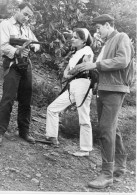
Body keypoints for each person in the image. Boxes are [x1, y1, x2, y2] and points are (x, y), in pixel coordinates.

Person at [76, 14, 134, 188]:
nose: (97, 32)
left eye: (99, 28)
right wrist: (89, 66)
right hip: (105, 88)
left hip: (114, 89)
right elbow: (104, 67)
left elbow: (123, 61)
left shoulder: (121, 37)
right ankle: (119, 167)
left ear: (108, 25)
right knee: (111, 128)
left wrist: (96, 65)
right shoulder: (108, 43)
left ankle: (107, 174)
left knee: (105, 129)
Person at [44, 28, 94, 157]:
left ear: (83, 41)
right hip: (73, 84)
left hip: (83, 84)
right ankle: (52, 137)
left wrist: (68, 74)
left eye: (76, 37)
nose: (72, 39)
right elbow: (68, 69)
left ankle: (85, 148)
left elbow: (82, 66)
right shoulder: (75, 53)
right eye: (73, 36)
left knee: (83, 116)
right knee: (52, 108)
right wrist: (67, 74)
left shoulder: (87, 51)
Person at [0, 2, 40, 146]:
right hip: (12, 65)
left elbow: (37, 44)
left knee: (26, 99)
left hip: (25, 65)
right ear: (17, 10)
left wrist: (31, 47)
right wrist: (17, 50)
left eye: (29, 16)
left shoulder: (27, 29)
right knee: (8, 99)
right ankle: (0, 131)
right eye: (25, 14)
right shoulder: (6, 25)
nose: (26, 18)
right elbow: (3, 45)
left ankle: (24, 131)